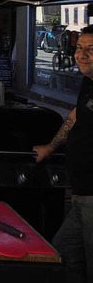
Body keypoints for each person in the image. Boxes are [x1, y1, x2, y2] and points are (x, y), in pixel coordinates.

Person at [34, 24, 93, 283]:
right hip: (81, 194)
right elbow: (75, 116)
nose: (82, 55)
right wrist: (51, 146)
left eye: (91, 50)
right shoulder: (89, 84)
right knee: (62, 257)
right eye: (80, 48)